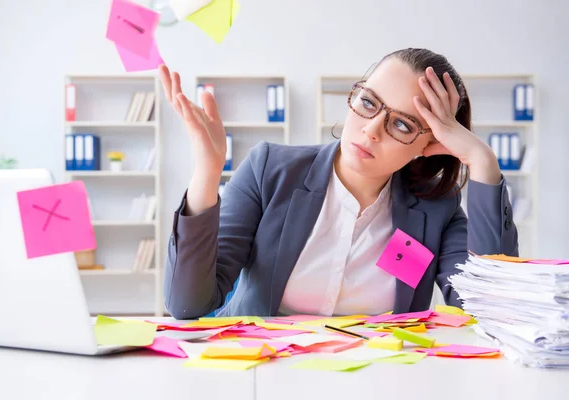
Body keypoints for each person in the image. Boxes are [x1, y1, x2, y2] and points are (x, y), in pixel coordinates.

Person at [160, 48, 518, 320]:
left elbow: (489, 315)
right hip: (262, 371)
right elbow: (188, 305)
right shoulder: (270, 170)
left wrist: (483, 163)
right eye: (368, 103)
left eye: (403, 125)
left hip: (376, 378)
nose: (371, 129)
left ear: (429, 146)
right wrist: (207, 173)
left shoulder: (436, 210)